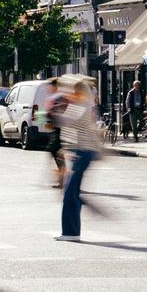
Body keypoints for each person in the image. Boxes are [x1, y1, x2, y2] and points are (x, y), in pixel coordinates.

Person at [57, 75, 101, 242]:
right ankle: (71, 231)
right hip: (79, 152)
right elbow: (69, 128)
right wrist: (64, 147)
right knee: (71, 193)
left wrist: (53, 112)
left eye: (71, 90)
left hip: (83, 153)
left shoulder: (81, 105)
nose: (68, 93)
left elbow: (66, 121)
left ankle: (71, 232)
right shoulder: (79, 105)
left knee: (70, 194)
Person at [44, 78, 67, 185]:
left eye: (50, 86)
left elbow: (60, 111)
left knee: (57, 154)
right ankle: (62, 178)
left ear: (55, 86)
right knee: (56, 154)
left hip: (59, 129)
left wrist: (50, 114)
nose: (49, 88)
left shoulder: (59, 97)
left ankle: (63, 178)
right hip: (55, 129)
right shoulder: (54, 97)